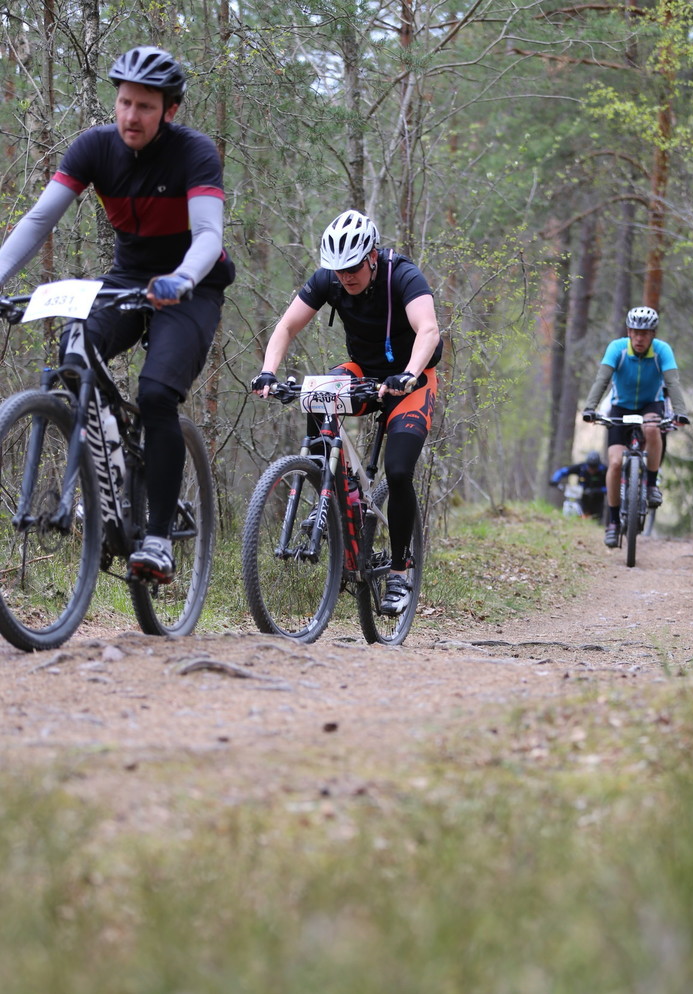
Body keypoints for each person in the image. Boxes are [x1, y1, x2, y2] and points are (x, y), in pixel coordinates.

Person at [0, 45, 235, 583]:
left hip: (190, 287)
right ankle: (109, 473)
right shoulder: (93, 149)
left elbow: (207, 237)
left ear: (169, 111)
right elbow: (38, 223)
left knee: (156, 395)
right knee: (75, 352)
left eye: (146, 107)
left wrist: (181, 278)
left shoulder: (194, 154)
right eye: (125, 102)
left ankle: (157, 539)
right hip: (126, 282)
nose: (131, 116)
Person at [252, 208, 442, 615]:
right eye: (337, 271)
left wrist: (407, 374)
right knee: (315, 394)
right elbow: (286, 327)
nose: (345, 278)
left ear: (372, 256)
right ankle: (340, 504)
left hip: (411, 377)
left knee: (399, 471)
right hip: (362, 373)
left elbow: (428, 330)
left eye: (353, 268)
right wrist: (269, 372)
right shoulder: (329, 280)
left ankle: (400, 571)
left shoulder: (403, 276)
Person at [582, 306, 687, 548]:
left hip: (651, 404)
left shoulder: (662, 351)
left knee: (652, 428)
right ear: (629, 331)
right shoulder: (616, 349)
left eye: (645, 333)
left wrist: (680, 411)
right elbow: (602, 379)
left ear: (653, 334)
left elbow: (673, 381)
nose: (640, 338)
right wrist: (590, 407)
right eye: (635, 332)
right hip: (620, 407)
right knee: (616, 463)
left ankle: (651, 485)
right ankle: (613, 523)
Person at [549, 449, 606, 519]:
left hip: (597, 501)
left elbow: (611, 488)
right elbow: (563, 471)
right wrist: (555, 480)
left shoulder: (604, 470)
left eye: (594, 467)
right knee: (579, 513)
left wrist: (596, 490)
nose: (592, 470)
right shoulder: (581, 467)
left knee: (595, 518)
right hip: (582, 498)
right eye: (590, 467)